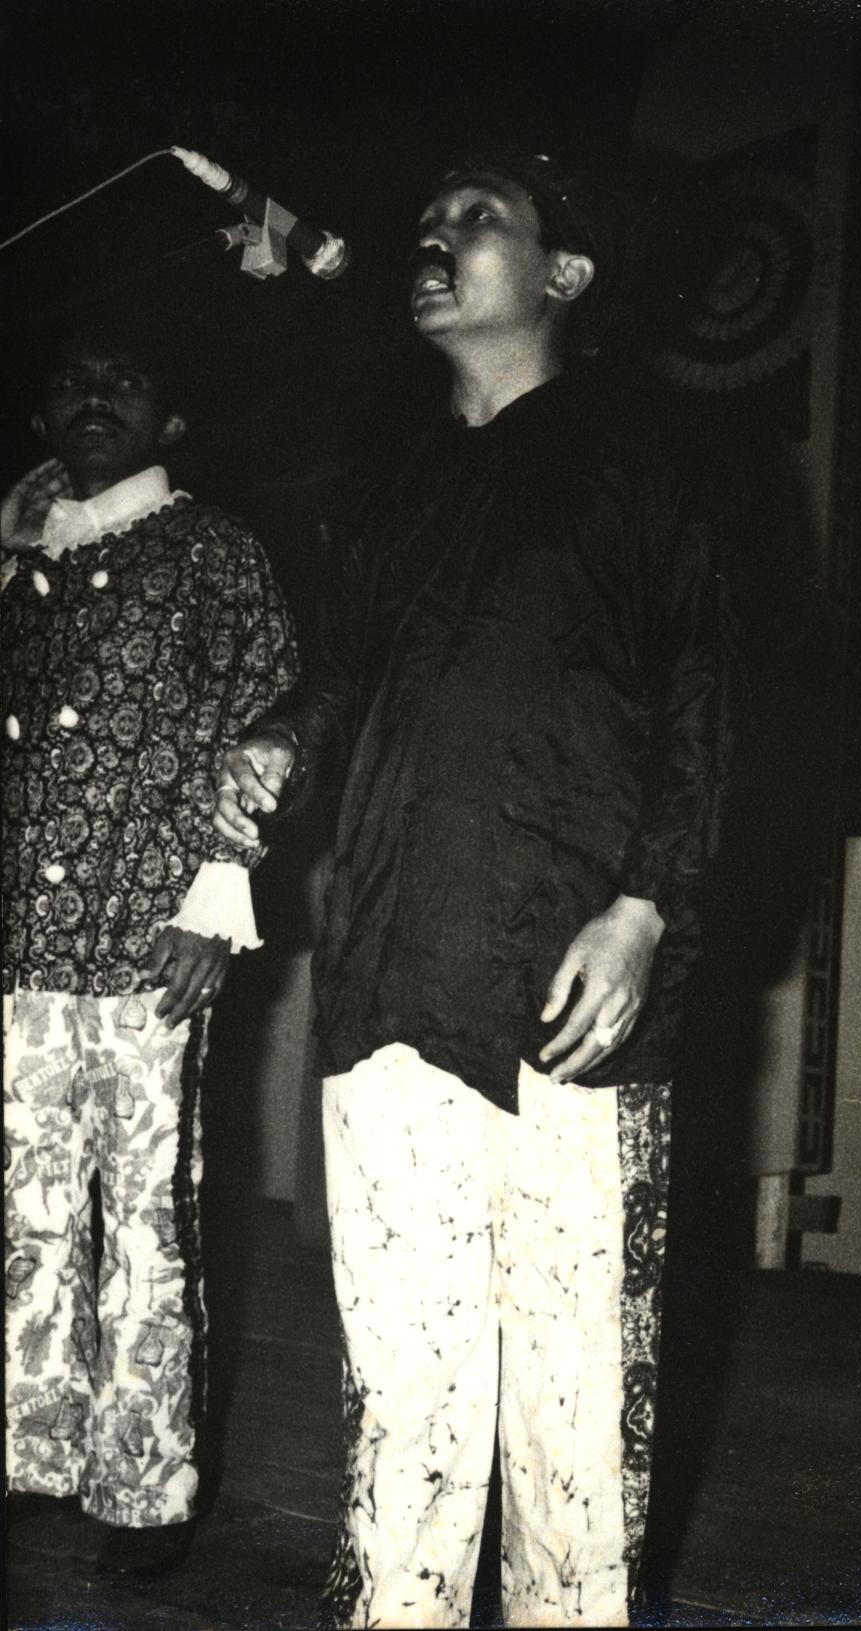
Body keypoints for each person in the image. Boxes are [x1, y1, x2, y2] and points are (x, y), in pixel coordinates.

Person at [215, 152, 732, 1629]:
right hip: (387, 980)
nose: (433, 236)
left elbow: (703, 701)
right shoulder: (394, 481)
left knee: (574, 1423)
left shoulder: (650, 459)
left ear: (565, 274)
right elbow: (345, 675)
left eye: (477, 218)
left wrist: (644, 907)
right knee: (404, 1407)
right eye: (426, 218)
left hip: (570, 1002)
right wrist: (283, 740)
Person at [2, 318, 299, 1577]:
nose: (94, 396)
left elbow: (272, 712)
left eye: (124, 381)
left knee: (143, 1217)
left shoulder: (213, 547)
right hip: (20, 940)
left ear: (171, 420)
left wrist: (219, 892)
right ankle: (32, 1452)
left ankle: (144, 1484)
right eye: (71, 381)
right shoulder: (21, 561)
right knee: (24, 1205)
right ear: (37, 421)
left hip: (152, 938)